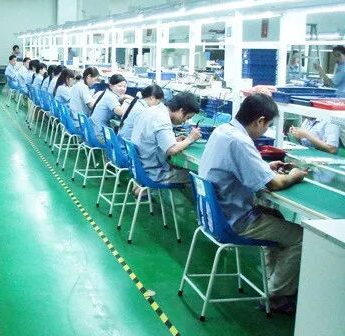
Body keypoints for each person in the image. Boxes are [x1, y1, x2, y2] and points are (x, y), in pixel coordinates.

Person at [199, 94, 308, 312]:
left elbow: (238, 165)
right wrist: (294, 175)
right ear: (259, 120)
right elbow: (274, 184)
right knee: (300, 237)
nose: (265, 130)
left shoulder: (223, 131)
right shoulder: (239, 141)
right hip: (233, 221)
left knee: (275, 216)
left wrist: (264, 167)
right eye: (267, 125)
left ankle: (272, 284)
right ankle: (277, 296)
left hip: (212, 215)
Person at [131, 92, 201, 184]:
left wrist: (174, 140)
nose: (185, 121)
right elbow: (171, 149)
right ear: (181, 111)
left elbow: (152, 138)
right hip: (152, 173)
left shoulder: (153, 110)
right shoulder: (162, 119)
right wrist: (190, 139)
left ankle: (142, 187)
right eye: (187, 117)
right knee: (195, 177)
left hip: (138, 167)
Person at [89, 74, 133, 142]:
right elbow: (121, 112)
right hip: (100, 136)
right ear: (111, 86)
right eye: (119, 86)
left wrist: (124, 97)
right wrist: (126, 101)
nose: (123, 89)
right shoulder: (110, 97)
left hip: (92, 132)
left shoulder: (107, 93)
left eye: (125, 86)